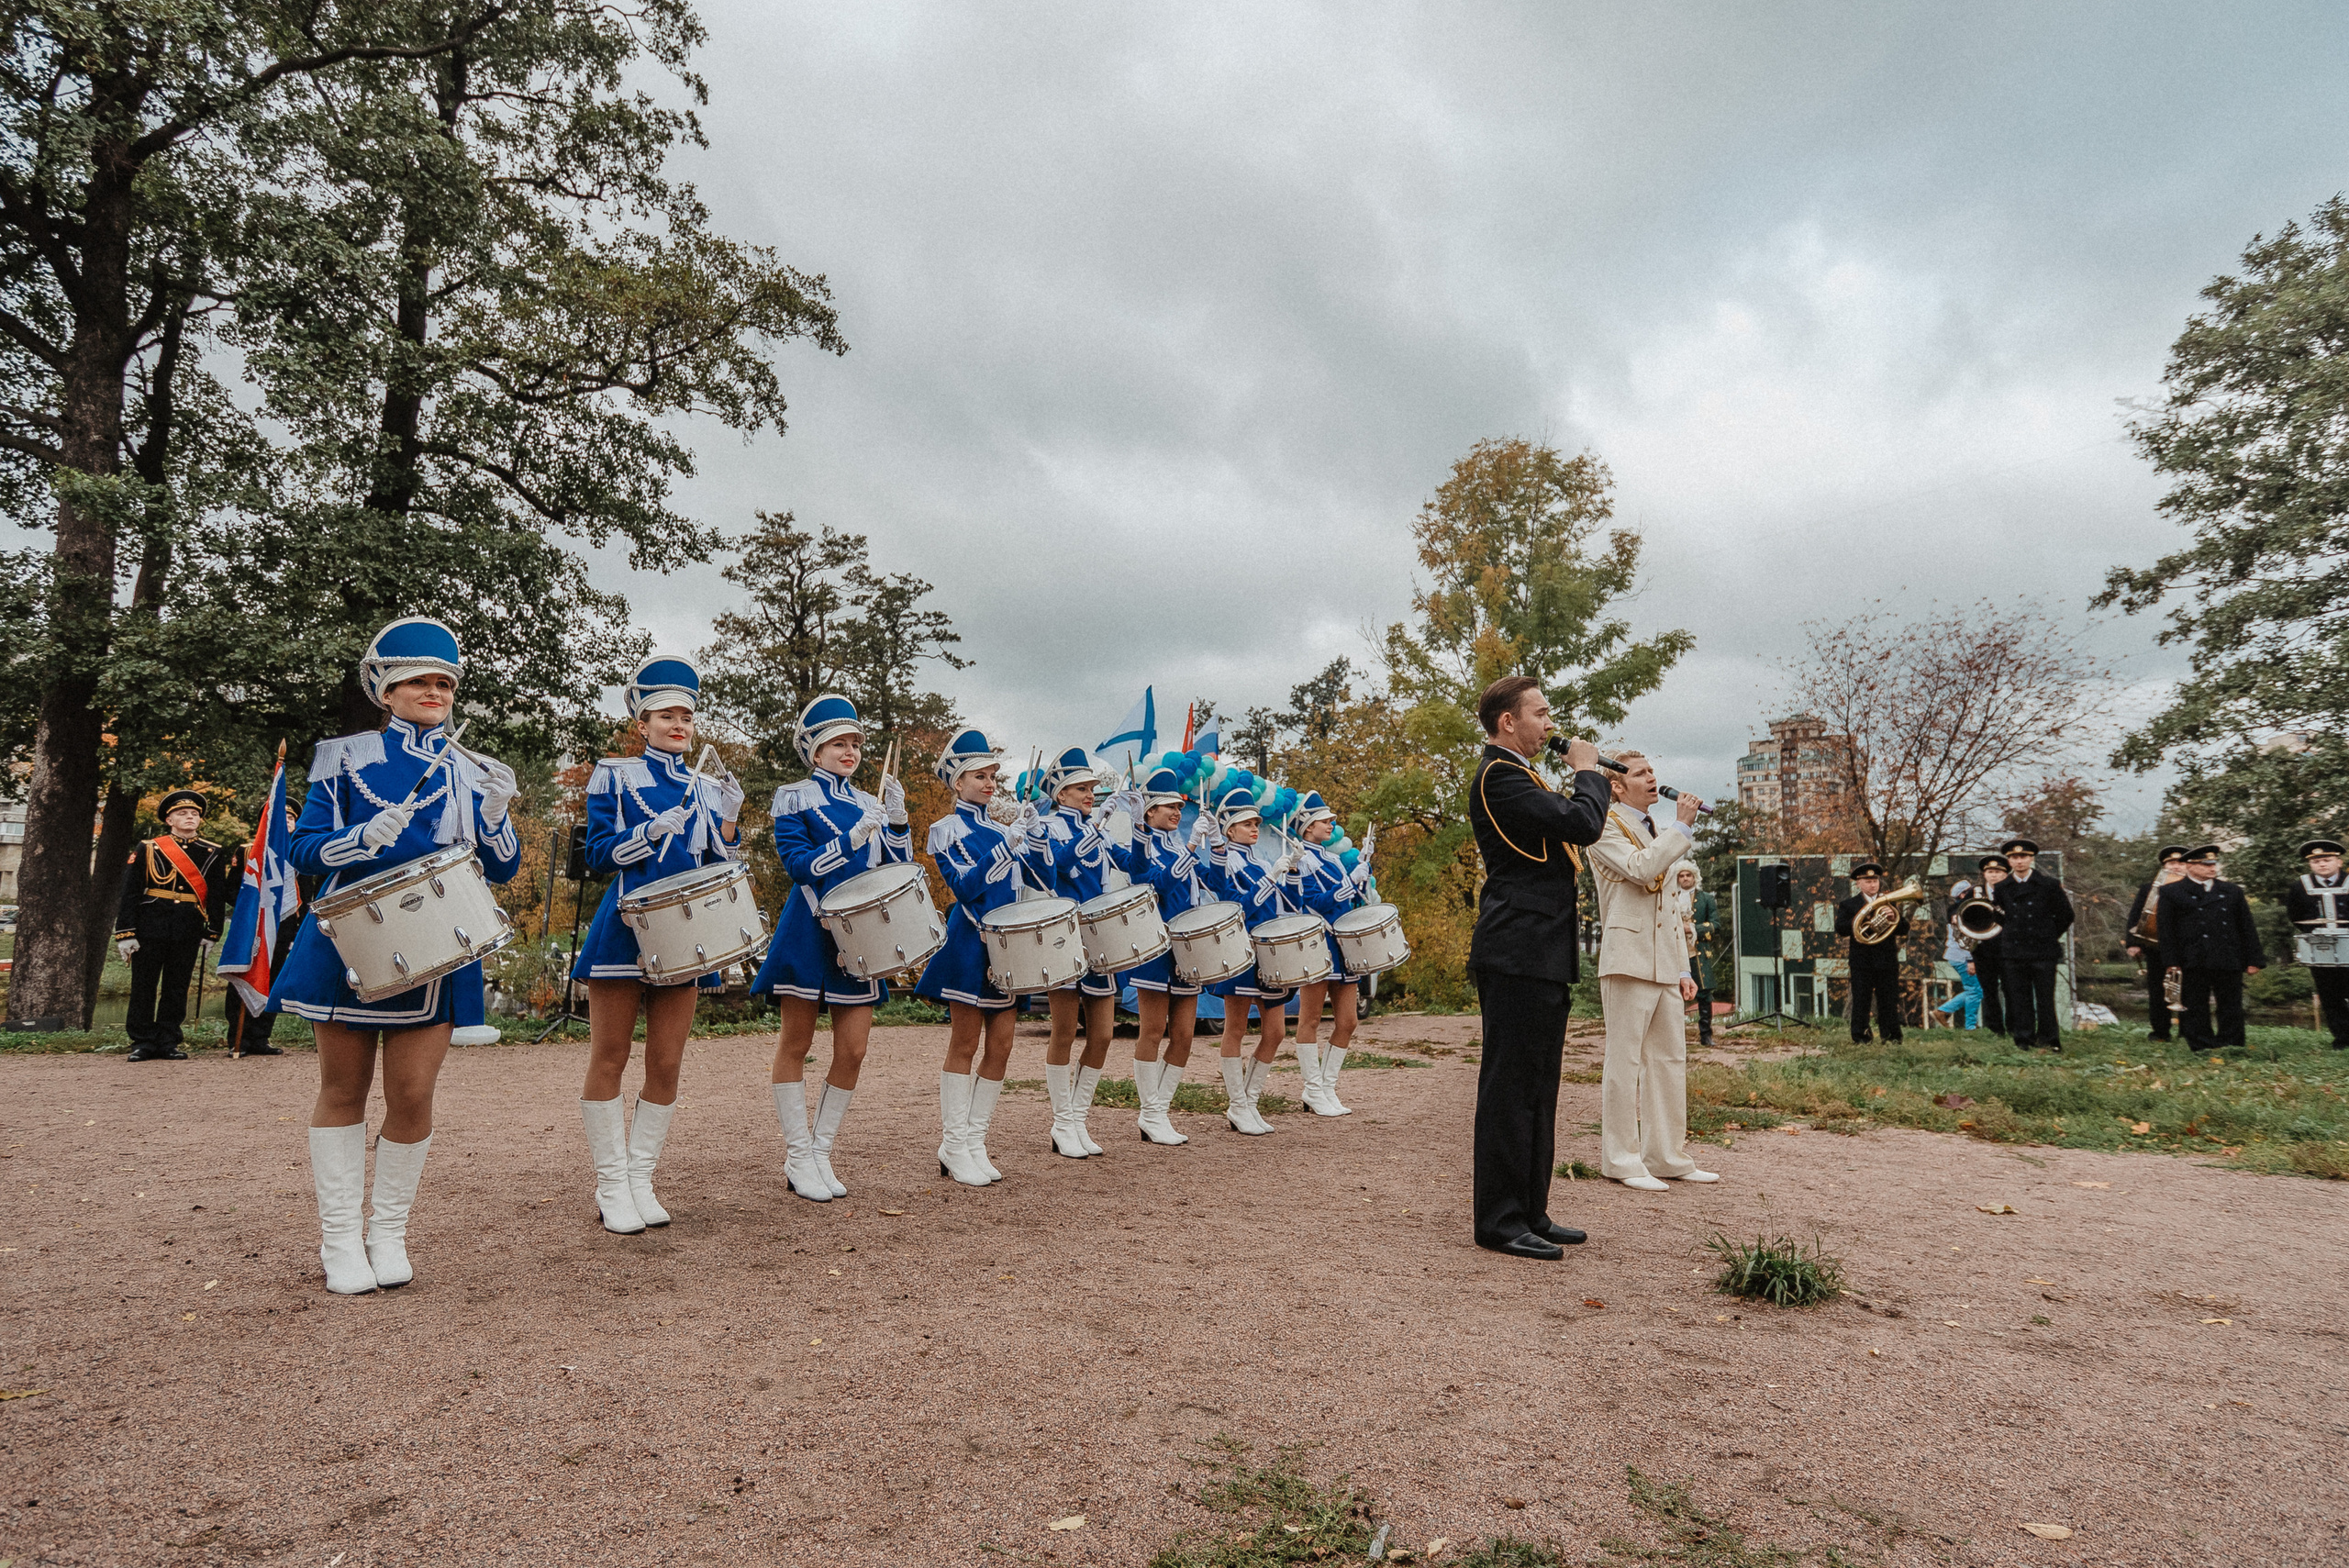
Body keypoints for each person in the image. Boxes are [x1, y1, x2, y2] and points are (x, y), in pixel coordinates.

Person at [270, 617, 523, 1294]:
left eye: (444, 681)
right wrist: (356, 839)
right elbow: (300, 849)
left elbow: (500, 868)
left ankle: (388, 1231)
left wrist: (497, 812)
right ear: (386, 689)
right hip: (353, 936)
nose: (435, 690)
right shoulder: (341, 756)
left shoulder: (470, 769)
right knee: (343, 1088)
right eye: (419, 680)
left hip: (440, 951)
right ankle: (338, 1240)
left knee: (413, 1094)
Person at [571, 655, 744, 1233]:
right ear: (641, 722)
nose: (679, 724)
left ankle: (641, 1176)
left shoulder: (704, 786)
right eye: (666, 715)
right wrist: (646, 832)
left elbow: (719, 866)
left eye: (687, 716)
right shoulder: (613, 775)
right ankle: (610, 1183)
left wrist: (728, 823)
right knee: (611, 1057)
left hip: (687, 933)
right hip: (624, 927)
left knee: (666, 1061)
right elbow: (595, 855)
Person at [1464, 675, 1609, 1260]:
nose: (1550, 725)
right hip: (1516, 949)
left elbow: (1571, 823)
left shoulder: (1520, 775)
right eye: (1542, 714)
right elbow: (1581, 825)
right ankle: (1499, 1221)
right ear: (1508, 722)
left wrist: (1590, 785)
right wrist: (1589, 773)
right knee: (1510, 1089)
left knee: (1539, 1089)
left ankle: (1531, 1210)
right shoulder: (1499, 775)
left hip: (1540, 950)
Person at [753, 694, 910, 1202]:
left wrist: (898, 821)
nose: (850, 752)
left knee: (855, 1049)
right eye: (838, 744)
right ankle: (797, 1154)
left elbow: (894, 865)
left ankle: (821, 1151)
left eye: (855, 744)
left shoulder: (869, 803)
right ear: (815, 752)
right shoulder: (793, 796)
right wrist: (849, 840)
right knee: (796, 1043)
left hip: (860, 933)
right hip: (809, 926)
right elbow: (797, 865)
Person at [1587, 753, 1714, 1192]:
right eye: (1640, 773)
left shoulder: (1654, 830)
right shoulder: (1602, 826)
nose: (1653, 778)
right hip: (1627, 958)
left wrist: (1683, 966)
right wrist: (1682, 828)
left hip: (1662, 962)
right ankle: (1621, 1159)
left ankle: (1666, 1155)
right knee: (1624, 1062)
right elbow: (1642, 871)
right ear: (1617, 787)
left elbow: (1669, 909)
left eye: (1653, 771)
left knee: (1668, 1060)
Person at [1018, 746, 1144, 1158]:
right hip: (1064, 934)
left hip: (1101, 936)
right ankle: (1061, 1123)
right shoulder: (1050, 826)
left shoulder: (1101, 828)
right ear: (1060, 793)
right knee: (1064, 1030)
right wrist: (1082, 841)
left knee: (1103, 1035)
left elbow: (1137, 868)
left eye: (1092, 787)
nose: (1090, 794)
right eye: (1080, 788)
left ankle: (1077, 1117)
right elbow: (1050, 872)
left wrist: (1139, 825)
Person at [914, 728, 1022, 1185]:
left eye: (992, 775)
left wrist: (1032, 837)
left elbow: (1044, 880)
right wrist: (1006, 846)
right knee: (965, 1042)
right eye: (980, 776)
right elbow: (964, 887)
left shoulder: (1003, 829)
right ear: (958, 783)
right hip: (968, 941)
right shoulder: (945, 830)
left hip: (1008, 946)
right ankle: (953, 1143)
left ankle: (976, 1140)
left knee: (1002, 1045)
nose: (989, 783)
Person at [1195, 784, 1305, 1135]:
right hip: (1240, 950)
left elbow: (1289, 905)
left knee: (1276, 1031)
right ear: (1228, 830)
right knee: (1236, 1028)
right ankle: (1237, 1105)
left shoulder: (1258, 859)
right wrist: (1272, 877)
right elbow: (1238, 905)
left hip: (1268, 953)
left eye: (1257, 823)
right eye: (1247, 824)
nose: (1255, 828)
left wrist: (1293, 871)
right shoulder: (1225, 860)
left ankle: (1249, 1101)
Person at [1122, 764, 1211, 1145]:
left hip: (1187, 947)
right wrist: (1191, 848)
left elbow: (1214, 885)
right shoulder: (1143, 847)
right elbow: (1151, 884)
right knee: (1153, 1030)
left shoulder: (1177, 845)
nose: (1177, 812)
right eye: (1168, 807)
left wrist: (1216, 845)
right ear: (1148, 812)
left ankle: (1160, 1111)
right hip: (1155, 946)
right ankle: (1149, 1113)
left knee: (1185, 1035)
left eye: (1179, 807)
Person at [115, 789, 236, 1062]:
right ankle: (142, 1041)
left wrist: (212, 932)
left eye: (194, 814)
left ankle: (168, 1040)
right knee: (144, 985)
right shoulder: (148, 848)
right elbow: (130, 892)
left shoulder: (212, 851)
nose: (190, 817)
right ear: (169, 820)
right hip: (150, 925)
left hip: (188, 927)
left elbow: (215, 896)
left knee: (177, 985)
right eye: (183, 814)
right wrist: (125, 932)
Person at [1286, 789, 1375, 1115]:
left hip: (1344, 945)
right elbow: (1312, 903)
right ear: (1308, 826)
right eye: (1326, 821)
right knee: (1309, 1018)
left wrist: (1362, 874)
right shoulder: (1302, 859)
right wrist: (1349, 883)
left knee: (1348, 1021)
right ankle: (1311, 1089)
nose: (1331, 825)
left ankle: (1326, 1086)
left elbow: (1349, 902)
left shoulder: (1334, 859)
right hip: (1318, 943)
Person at [2155, 845, 2262, 1052]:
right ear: (2189, 866)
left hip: (2227, 955)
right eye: (2206, 864)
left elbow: (2246, 926)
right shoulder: (2171, 892)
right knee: (2194, 1004)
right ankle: (2201, 1044)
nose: (2212, 868)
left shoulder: (2232, 891)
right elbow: (2166, 930)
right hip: (2192, 956)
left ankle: (2231, 1043)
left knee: (2231, 1004)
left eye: (2214, 863)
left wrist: (2253, 959)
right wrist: (2171, 961)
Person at [224, 803, 306, 1059]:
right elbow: (231, 892)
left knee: (272, 980)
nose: (288, 821)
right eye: (283, 817)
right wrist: (254, 907)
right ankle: (238, 1038)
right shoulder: (250, 851)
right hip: (253, 925)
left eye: (292, 818)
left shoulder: (299, 854)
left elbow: (306, 896)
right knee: (245, 975)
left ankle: (261, 1036)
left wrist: (296, 934)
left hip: (284, 927)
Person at [1991, 838, 2074, 1050]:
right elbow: (2000, 916)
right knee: (2020, 998)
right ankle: (2024, 1039)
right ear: (2009, 861)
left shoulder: (2049, 884)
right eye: (2014, 857)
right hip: (2015, 951)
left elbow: (2066, 915)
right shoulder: (2001, 887)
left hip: (2043, 951)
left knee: (2045, 998)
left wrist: (2046, 934)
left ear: (2031, 859)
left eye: (2024, 857)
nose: (2019, 861)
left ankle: (2049, 1040)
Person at [2283, 839, 2349, 1050]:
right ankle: (2343, 1037)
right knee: (2330, 994)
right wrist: (2313, 932)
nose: (2322, 864)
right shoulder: (2299, 886)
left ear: (2338, 862)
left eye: (2327, 860)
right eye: (2316, 861)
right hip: (2321, 947)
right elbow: (2294, 914)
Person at [1833, 862, 1907, 1043]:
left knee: (1888, 1000)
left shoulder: (1890, 903)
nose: (1872, 884)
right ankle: (1861, 1037)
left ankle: (1891, 1037)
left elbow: (1904, 928)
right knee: (1861, 1000)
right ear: (1858, 883)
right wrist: (1863, 918)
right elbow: (1840, 929)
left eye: (1875, 880)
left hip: (1887, 959)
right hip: (1861, 961)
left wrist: (1892, 918)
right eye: (1867, 881)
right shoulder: (1849, 905)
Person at [2123, 845, 2188, 1041]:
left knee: (2189, 990)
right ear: (2164, 866)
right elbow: (2136, 915)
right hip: (2156, 946)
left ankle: (2188, 1031)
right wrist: (2133, 943)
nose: (2176, 866)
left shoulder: (2196, 886)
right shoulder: (2149, 889)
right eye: (2171, 863)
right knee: (2158, 990)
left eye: (2180, 862)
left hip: (2187, 946)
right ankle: (2160, 1032)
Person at [1675, 863, 1719, 1049]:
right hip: (1676, 952)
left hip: (1698, 953)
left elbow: (1716, 925)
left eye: (1688, 875)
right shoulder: (1672, 898)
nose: (1685, 878)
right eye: (1681, 875)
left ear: (1695, 877)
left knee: (1704, 994)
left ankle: (1706, 1035)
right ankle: (1676, 1039)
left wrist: (1692, 929)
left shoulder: (1706, 899)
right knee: (1673, 995)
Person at [1935, 879, 1984, 1030]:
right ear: (1963, 895)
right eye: (1969, 892)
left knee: (1975, 990)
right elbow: (1966, 939)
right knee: (1974, 991)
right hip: (1963, 956)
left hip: (1958, 956)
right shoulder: (1960, 911)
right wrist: (1971, 959)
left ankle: (1944, 1011)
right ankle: (1969, 1025)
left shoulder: (1955, 909)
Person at [1971, 855, 2010, 1036]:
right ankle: (1995, 1030)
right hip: (1983, 950)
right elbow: (1955, 908)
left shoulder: (2011, 891)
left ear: (2005, 874)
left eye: (1997, 872)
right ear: (1984, 874)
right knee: (1989, 991)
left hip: (2007, 948)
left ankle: (2014, 1027)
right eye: (1989, 872)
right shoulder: (1975, 891)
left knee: (2011, 989)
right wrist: (1954, 915)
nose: (1993, 876)